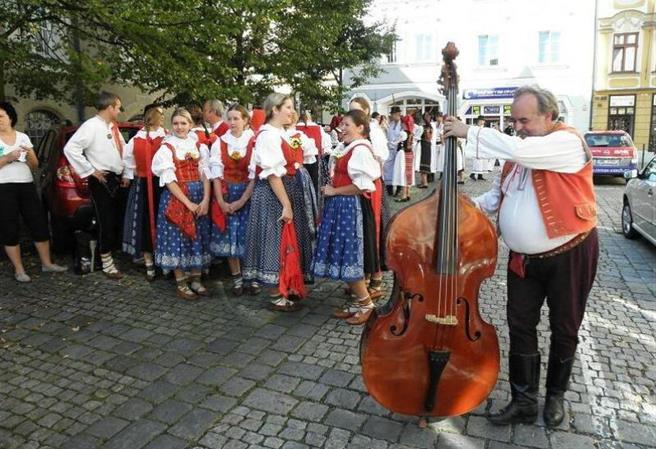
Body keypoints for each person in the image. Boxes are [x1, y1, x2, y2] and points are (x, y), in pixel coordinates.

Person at [444, 85, 599, 428]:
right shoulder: (519, 156)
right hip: (522, 260)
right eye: (514, 121)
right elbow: (498, 197)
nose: (518, 126)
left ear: (549, 116)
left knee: (565, 326)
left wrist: (469, 131)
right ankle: (524, 400)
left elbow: (519, 149)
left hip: (569, 253)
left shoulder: (567, 142)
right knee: (520, 325)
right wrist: (465, 207)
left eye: (524, 120)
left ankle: (555, 396)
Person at [242, 93, 317, 312]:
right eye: (288, 107)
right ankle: (275, 294)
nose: (292, 111)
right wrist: (286, 204)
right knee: (274, 240)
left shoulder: (282, 133)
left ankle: (289, 284)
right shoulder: (267, 135)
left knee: (289, 240)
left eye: (292, 107)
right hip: (273, 195)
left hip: (288, 190)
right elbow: (273, 174)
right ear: (274, 109)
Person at [314, 110, 381, 325]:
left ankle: (366, 304)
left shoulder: (360, 149)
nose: (341, 128)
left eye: (346, 125)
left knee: (351, 256)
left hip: (351, 209)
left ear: (360, 127)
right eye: (341, 124)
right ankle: (357, 303)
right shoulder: (347, 148)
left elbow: (363, 185)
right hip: (341, 208)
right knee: (343, 254)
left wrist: (334, 191)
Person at [0, 101, 67, 282]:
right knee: (10, 227)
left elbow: (35, 164)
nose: (0, 121)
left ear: (10, 117)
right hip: (4, 187)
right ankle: (19, 269)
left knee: (38, 223)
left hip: (26, 184)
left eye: (1, 116)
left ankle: (47, 263)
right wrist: (7, 158)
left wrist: (28, 154)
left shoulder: (22, 137)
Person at [64, 91, 127, 279]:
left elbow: (122, 151)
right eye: (118, 107)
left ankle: (108, 256)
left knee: (115, 221)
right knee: (105, 222)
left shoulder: (112, 126)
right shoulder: (90, 126)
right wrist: (91, 170)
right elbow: (70, 148)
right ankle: (106, 262)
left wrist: (126, 172)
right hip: (102, 180)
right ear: (110, 107)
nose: (119, 111)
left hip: (116, 178)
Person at [152, 108, 212, 300]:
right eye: (176, 123)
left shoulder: (199, 145)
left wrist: (205, 200)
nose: (179, 127)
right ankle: (181, 283)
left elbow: (205, 173)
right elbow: (169, 180)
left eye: (183, 123)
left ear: (190, 125)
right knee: (178, 239)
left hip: (198, 197)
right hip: (177, 198)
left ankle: (196, 278)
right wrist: (187, 203)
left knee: (197, 237)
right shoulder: (166, 148)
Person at [209, 104, 256, 296]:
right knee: (230, 238)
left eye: (237, 118)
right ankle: (237, 279)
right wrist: (221, 202)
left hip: (248, 194)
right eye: (230, 118)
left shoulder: (254, 141)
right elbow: (216, 176)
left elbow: (255, 176)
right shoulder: (219, 142)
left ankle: (251, 277)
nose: (232, 122)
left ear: (245, 120)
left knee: (248, 237)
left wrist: (243, 200)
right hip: (227, 194)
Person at [121, 106, 167, 281]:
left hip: (158, 184)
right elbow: (128, 163)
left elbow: (128, 163)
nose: (163, 117)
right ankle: (153, 263)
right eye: (161, 115)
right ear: (155, 117)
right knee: (148, 222)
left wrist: (129, 174)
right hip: (152, 185)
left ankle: (156, 264)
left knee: (156, 221)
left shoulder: (164, 137)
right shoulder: (144, 139)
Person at [383, 106, 403, 195]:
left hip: (399, 149)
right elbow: (388, 135)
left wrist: (394, 143)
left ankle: (399, 188)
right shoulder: (391, 124)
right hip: (390, 148)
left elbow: (402, 136)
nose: (391, 116)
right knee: (387, 166)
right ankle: (389, 187)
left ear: (397, 114)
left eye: (393, 114)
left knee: (399, 168)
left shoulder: (402, 124)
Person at [469, 115, 492, 181]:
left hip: (482, 146)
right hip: (476, 146)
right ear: (478, 121)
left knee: (483, 161)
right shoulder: (475, 128)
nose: (482, 122)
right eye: (481, 120)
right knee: (477, 161)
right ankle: (473, 174)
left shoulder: (483, 128)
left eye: (483, 120)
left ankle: (480, 175)